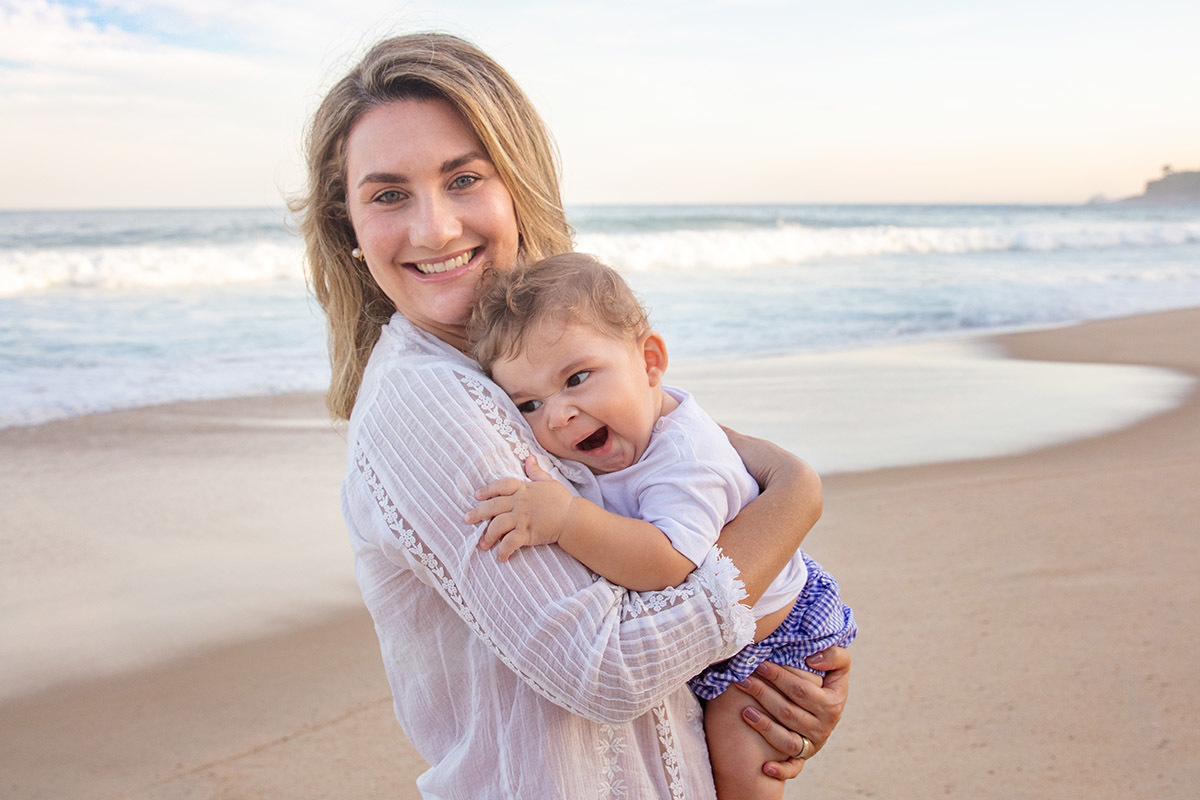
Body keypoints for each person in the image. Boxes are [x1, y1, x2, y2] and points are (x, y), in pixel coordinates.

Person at [292, 31, 850, 798]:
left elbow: (680, 469)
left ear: (516, 183)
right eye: (389, 194)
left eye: (464, 178)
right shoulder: (425, 404)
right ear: (347, 226)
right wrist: (794, 503)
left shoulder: (519, 365)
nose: (434, 229)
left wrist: (774, 672)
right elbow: (610, 669)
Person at [465, 252, 857, 799]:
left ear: (650, 362)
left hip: (773, 644)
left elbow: (667, 563)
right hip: (721, 639)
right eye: (528, 403)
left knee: (742, 772)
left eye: (577, 378)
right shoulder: (614, 436)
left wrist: (567, 518)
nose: (557, 416)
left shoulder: (684, 457)